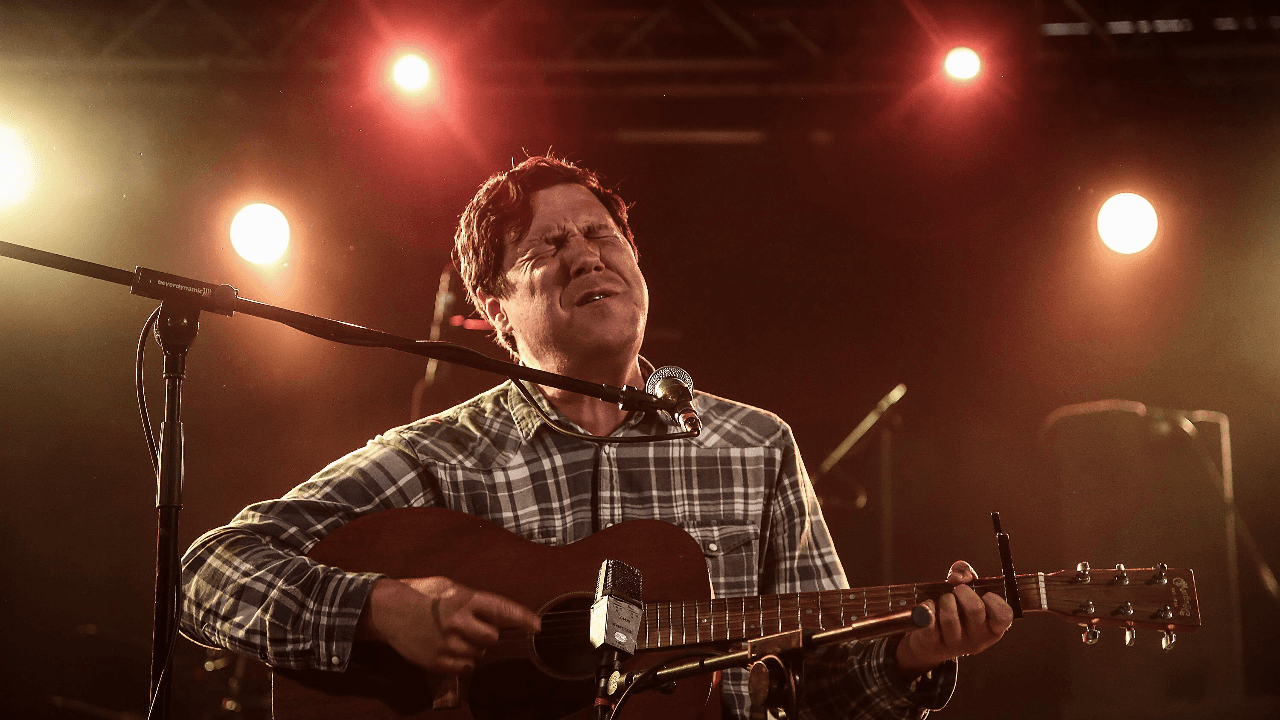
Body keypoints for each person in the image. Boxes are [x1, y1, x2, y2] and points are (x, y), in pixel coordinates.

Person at [180, 156, 1013, 719]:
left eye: (603, 237)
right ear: (498, 310)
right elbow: (204, 572)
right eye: (549, 245)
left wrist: (907, 659)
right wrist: (378, 607)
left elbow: (825, 686)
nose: (587, 257)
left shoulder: (755, 445)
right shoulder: (438, 454)